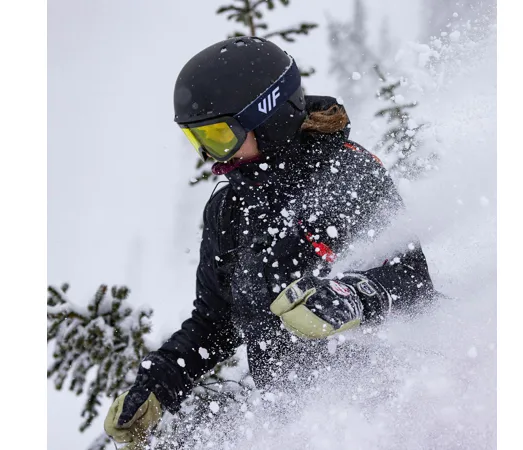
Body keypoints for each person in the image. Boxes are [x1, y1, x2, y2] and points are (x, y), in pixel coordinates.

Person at [104, 36, 438, 446]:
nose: (212, 156)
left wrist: (350, 297)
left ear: (268, 118)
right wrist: (159, 384)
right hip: (297, 427)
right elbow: (215, 322)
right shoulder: (229, 210)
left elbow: (411, 279)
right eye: (199, 140)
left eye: (219, 136)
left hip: (400, 412)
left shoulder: (346, 174)